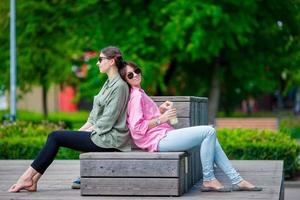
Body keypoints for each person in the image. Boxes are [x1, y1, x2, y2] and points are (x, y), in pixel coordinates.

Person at [119, 61, 262, 192]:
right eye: (130, 75)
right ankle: (209, 179)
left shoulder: (140, 93)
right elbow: (136, 128)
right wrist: (161, 119)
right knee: (208, 131)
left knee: (211, 137)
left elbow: (145, 117)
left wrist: (160, 110)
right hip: (158, 140)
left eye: (137, 70)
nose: (136, 75)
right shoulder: (136, 96)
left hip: (162, 136)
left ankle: (237, 180)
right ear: (126, 80)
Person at [8, 46, 131, 193]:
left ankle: (26, 178)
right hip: (101, 136)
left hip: (109, 140)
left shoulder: (120, 86)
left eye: (100, 59)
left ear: (111, 61)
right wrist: (77, 134)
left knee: (55, 136)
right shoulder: (107, 84)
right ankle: (32, 180)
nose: (97, 63)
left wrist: (78, 135)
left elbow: (106, 122)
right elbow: (93, 118)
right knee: (58, 137)